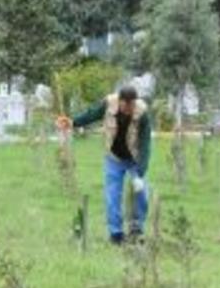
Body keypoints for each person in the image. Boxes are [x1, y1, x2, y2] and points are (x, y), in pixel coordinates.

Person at [56, 86, 152, 245]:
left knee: (141, 193)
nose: (129, 110)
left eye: (132, 106)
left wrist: (140, 172)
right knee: (113, 195)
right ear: (120, 101)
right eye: (125, 106)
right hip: (113, 158)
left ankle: (137, 229)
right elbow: (91, 114)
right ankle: (116, 235)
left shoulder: (142, 113)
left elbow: (145, 143)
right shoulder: (108, 104)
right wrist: (73, 122)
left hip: (134, 159)